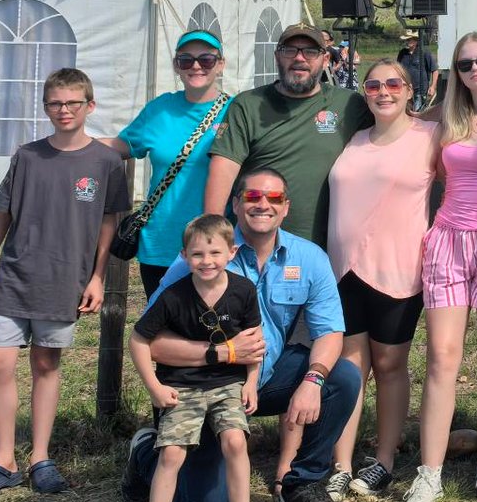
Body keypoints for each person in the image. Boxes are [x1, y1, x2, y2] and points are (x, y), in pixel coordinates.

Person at [122, 167, 363, 502]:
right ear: (235, 204)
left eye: (273, 198)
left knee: (341, 377)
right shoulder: (206, 255)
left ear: (286, 207)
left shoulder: (309, 258)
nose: (262, 204)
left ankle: (301, 487)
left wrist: (312, 382)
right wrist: (223, 352)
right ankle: (146, 452)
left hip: (262, 381)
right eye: (252, 196)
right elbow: (150, 342)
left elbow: (330, 332)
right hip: (200, 388)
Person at [0, 68, 129, 498]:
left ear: (90, 106)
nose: (64, 110)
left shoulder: (106, 162)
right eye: (55, 103)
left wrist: (97, 276)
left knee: (45, 363)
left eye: (73, 102)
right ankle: (3, 460)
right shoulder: (28, 156)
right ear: (45, 107)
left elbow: (108, 221)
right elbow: (2, 214)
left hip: (65, 279)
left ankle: (39, 456)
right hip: (16, 276)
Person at [407, 32, 477, 502]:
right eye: (465, 62)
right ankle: (428, 473)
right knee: (441, 356)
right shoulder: (443, 118)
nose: (475, 68)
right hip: (448, 240)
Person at [324, 59, 436, 501]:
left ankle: (384, 460)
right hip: (343, 269)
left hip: (398, 268)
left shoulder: (429, 137)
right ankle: (340, 463)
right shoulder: (352, 138)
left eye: (394, 83)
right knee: (349, 368)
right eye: (374, 84)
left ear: (410, 90)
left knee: (389, 366)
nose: (383, 91)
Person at [126, 215, 264, 502]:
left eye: (215, 252)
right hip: (181, 386)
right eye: (198, 254)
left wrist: (250, 382)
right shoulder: (173, 296)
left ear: (232, 252)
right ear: (184, 255)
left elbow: (255, 343)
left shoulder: (244, 291)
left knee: (235, 441)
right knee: (172, 453)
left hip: (227, 384)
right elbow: (140, 340)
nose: (207, 261)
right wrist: (154, 387)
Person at [203, 22, 371, 249]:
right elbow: (224, 167)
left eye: (310, 51)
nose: (299, 58)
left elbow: (397, 128)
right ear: (277, 56)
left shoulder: (349, 104)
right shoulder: (249, 105)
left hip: (326, 249)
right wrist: (212, 233)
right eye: (290, 50)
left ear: (325, 60)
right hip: (257, 245)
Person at [107, 28, 235, 298]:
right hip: (162, 241)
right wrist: (67, 142)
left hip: (215, 244)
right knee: (161, 329)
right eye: (186, 60)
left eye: (206, 59)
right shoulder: (160, 109)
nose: (196, 66)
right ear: (177, 66)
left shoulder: (236, 111)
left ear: (220, 64)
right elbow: (121, 146)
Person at [396, 30, 439, 109]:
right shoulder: (402, 53)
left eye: (409, 39)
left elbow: (435, 70)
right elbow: (397, 69)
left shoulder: (425, 52)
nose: (407, 41)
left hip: (420, 89)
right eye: (407, 40)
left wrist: (433, 86)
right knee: (405, 111)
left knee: (417, 111)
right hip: (405, 88)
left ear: (416, 40)